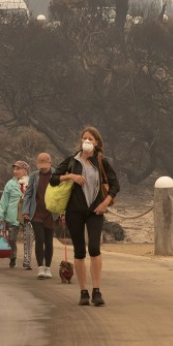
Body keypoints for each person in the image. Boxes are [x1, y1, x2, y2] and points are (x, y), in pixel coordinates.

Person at [51, 127, 120, 306]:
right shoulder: (72, 161)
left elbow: (115, 185)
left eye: (90, 138)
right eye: (84, 138)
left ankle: (96, 290)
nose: (87, 141)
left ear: (97, 142)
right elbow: (53, 178)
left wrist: (105, 204)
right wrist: (71, 176)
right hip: (74, 210)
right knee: (79, 251)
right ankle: (83, 291)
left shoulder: (101, 162)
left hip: (95, 211)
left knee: (95, 248)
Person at [23, 153, 57, 279]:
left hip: (51, 213)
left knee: (49, 241)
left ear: (50, 163)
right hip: (37, 212)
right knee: (40, 239)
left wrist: (62, 211)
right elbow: (28, 193)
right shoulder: (34, 175)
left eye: (45, 165)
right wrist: (25, 211)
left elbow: (61, 194)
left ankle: (48, 268)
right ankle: (40, 268)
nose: (43, 168)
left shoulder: (56, 175)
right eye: (40, 165)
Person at [0, 160, 30, 268]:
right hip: (13, 216)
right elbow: (4, 200)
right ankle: (13, 257)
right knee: (11, 239)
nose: (15, 171)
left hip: (27, 215)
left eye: (18, 169)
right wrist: (1, 215)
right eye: (14, 169)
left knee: (28, 240)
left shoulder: (30, 182)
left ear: (25, 170)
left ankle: (27, 260)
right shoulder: (10, 184)